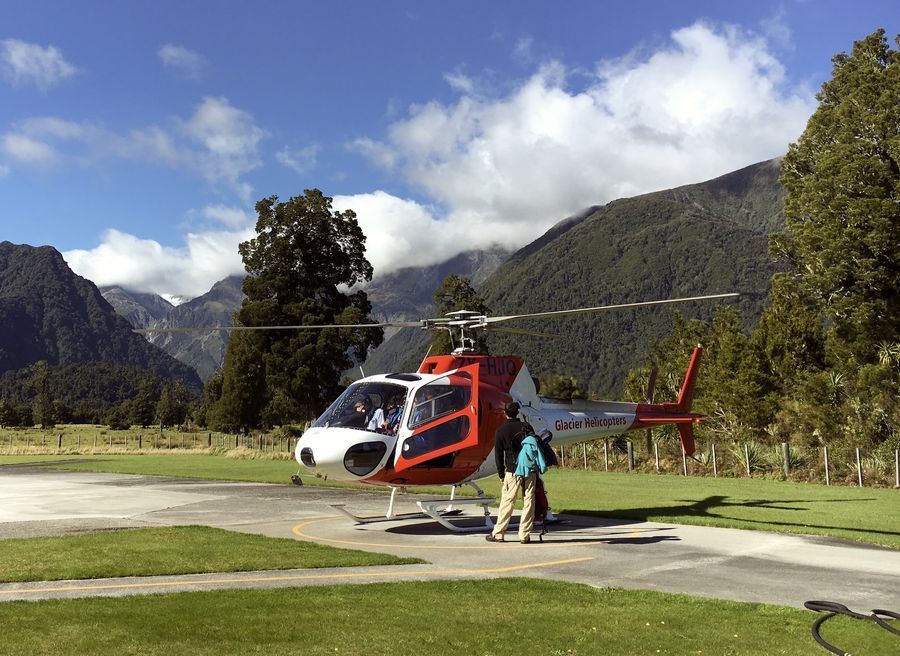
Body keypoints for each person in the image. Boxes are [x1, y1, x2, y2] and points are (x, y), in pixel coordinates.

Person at [486, 401, 533, 544]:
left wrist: (501, 474)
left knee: (507, 501)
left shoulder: (501, 431)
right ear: (517, 412)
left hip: (512, 470)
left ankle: (499, 533)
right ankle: (524, 535)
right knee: (529, 501)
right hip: (529, 469)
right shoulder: (526, 427)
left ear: (505, 413)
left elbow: (498, 456)